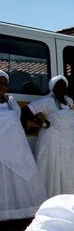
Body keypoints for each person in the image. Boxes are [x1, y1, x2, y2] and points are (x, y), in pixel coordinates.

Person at [21, 75, 74, 197]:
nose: (62, 88)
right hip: (53, 144)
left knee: (69, 170)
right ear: (52, 88)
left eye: (64, 86)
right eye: (59, 86)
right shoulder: (47, 101)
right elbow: (26, 111)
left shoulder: (68, 101)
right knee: (54, 170)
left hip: (69, 144)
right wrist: (42, 123)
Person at [0, 70, 47, 221]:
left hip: (15, 146)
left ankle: (17, 214)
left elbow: (17, 120)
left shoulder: (11, 101)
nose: (2, 87)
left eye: (4, 84)